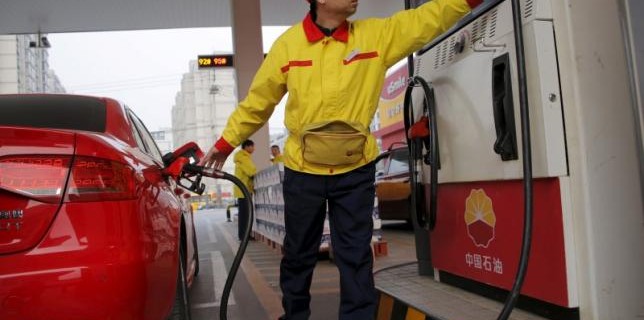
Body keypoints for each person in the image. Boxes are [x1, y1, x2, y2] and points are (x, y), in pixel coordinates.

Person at [199, 0, 482, 318]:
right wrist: (226, 143)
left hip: (355, 170)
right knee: (298, 254)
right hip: (302, 171)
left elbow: (427, 18)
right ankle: (295, 315)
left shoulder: (377, 35)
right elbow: (257, 103)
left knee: (355, 254)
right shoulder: (288, 46)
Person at [233, 139, 256, 241]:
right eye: (252, 146)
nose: (253, 148)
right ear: (246, 147)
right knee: (246, 214)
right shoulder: (244, 157)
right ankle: (244, 236)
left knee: (244, 214)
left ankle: (243, 235)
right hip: (244, 189)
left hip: (241, 188)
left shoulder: (241, 157)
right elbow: (251, 171)